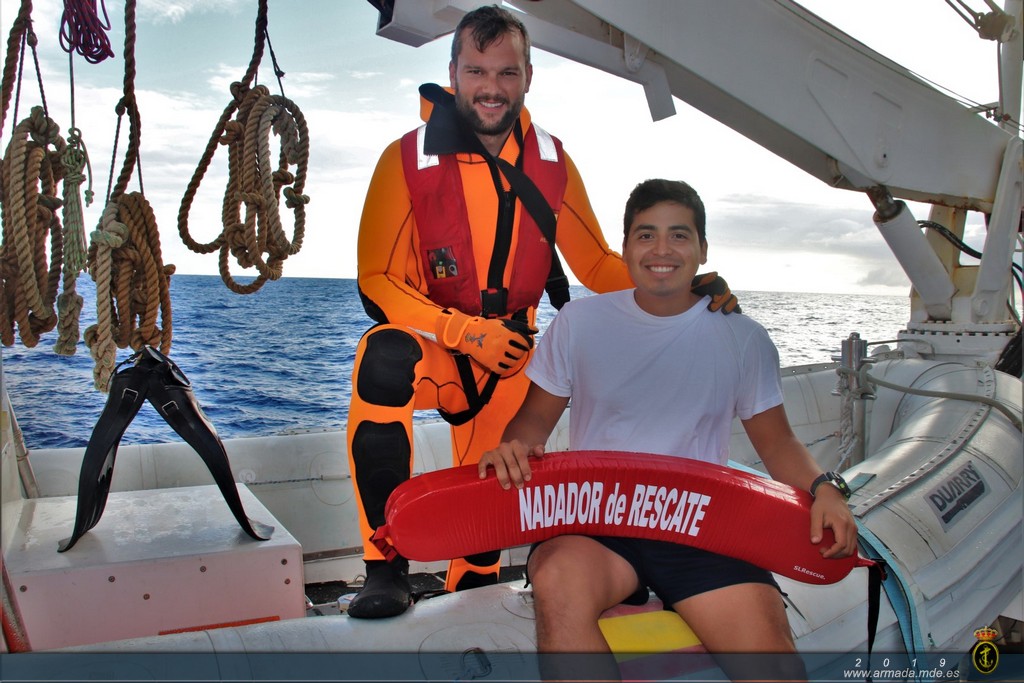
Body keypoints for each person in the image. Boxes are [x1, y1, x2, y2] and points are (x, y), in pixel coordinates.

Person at [347, 6, 737, 620]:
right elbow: (377, 279)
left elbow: (598, 266)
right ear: (452, 73)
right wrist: (461, 331)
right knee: (382, 360)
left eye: (507, 72)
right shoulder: (404, 159)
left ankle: (470, 595)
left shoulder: (554, 162)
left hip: (510, 360)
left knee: (481, 527)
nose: (491, 88)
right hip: (440, 346)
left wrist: (686, 287)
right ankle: (385, 565)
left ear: (528, 75)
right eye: (477, 71)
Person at [478, 179, 859, 678]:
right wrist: (514, 446)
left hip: (700, 525)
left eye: (679, 236)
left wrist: (825, 488)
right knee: (556, 579)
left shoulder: (743, 337)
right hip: (598, 521)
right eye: (646, 235)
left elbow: (778, 442)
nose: (662, 249)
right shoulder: (580, 321)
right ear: (625, 248)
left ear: (703, 249)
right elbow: (535, 417)